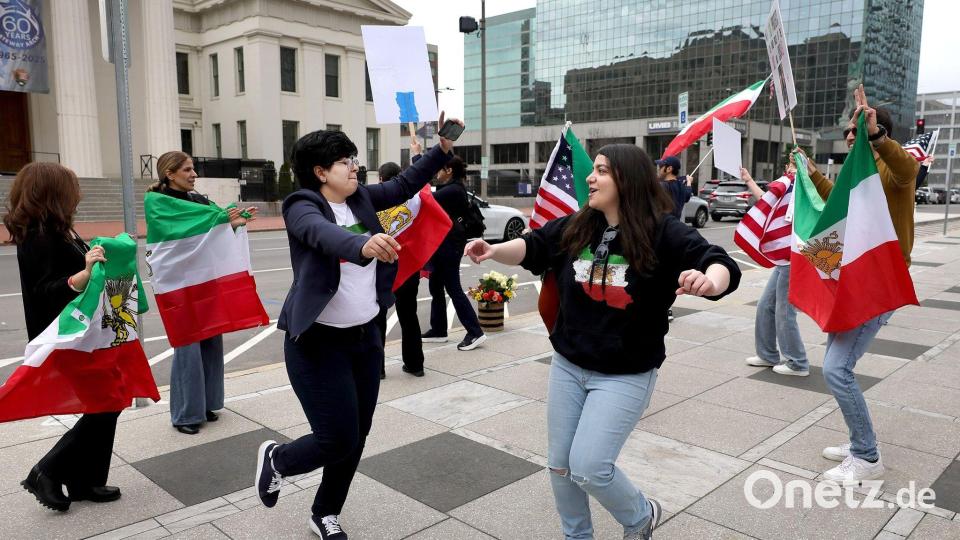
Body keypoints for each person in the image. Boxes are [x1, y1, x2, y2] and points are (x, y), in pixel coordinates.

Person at [464, 144, 741, 540]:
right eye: (593, 170)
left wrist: (710, 280)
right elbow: (534, 245)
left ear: (627, 180)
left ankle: (641, 515)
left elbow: (719, 261)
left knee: (590, 467)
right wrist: (492, 250)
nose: (591, 178)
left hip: (625, 373)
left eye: (602, 171)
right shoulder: (580, 224)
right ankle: (577, 536)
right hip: (568, 366)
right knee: (560, 465)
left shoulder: (663, 232)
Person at [253, 119, 460, 540]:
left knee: (357, 436)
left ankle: (324, 511)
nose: (354, 168)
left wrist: (440, 150)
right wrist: (362, 244)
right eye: (344, 162)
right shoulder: (301, 204)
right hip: (317, 344)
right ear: (320, 172)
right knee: (337, 437)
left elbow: (405, 183)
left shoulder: (363, 197)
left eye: (354, 160)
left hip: (365, 339)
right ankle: (278, 460)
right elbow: (321, 233)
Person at [799, 84, 919, 484]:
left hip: (878, 281)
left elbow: (907, 169)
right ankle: (858, 443)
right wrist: (812, 174)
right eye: (849, 132)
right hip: (854, 277)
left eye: (856, 130)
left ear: (875, 131)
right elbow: (839, 203)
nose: (850, 136)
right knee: (836, 363)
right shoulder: (857, 171)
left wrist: (875, 136)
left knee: (837, 369)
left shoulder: (889, 167)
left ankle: (867, 457)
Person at [3, 162, 122, 511]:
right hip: (65, 334)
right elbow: (44, 291)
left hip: (80, 332)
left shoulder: (56, 230)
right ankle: (47, 470)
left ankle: (85, 481)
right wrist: (82, 275)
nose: (79, 192)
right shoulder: (40, 235)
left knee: (106, 401)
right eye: (72, 187)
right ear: (53, 192)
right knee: (107, 401)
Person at [147, 151, 257, 435]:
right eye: (187, 170)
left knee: (211, 339)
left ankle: (206, 404)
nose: (194, 174)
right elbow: (177, 238)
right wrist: (220, 219)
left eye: (193, 168)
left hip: (204, 281)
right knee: (187, 347)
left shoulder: (199, 200)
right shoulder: (158, 203)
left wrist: (235, 222)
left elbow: (214, 230)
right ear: (169, 174)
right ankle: (185, 414)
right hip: (178, 286)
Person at [739, 163, 810, 376]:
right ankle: (768, 354)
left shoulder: (804, 186)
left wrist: (800, 177)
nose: (788, 166)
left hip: (795, 257)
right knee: (765, 306)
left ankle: (797, 363)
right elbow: (768, 201)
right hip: (784, 260)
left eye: (793, 161)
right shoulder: (789, 186)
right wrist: (749, 180)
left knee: (784, 311)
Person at [420, 155, 487, 351]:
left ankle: (475, 332)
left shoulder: (453, 191)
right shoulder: (452, 189)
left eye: (439, 169)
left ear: (449, 170)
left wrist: (418, 159)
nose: (436, 173)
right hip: (444, 244)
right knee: (435, 285)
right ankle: (439, 329)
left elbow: (426, 199)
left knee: (453, 288)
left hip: (450, 246)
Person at [374, 159, 427, 378]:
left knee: (377, 317)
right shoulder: (414, 200)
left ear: (380, 180)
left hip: (382, 265)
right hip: (408, 265)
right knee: (408, 315)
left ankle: (378, 370)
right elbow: (424, 186)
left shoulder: (374, 201)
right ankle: (415, 365)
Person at [655, 155, 693, 324]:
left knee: (657, 271)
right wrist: (689, 182)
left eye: (660, 166)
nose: (658, 169)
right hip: (674, 230)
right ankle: (667, 308)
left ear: (668, 168)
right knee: (669, 271)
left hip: (659, 231)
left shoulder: (661, 186)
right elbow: (686, 196)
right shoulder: (679, 185)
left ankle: (662, 308)